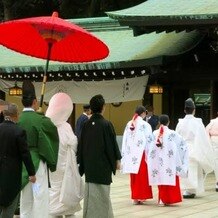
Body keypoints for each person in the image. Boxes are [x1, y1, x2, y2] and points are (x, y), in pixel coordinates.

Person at [18, 80, 59, 218]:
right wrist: (42, 116)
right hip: (37, 165)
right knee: (40, 197)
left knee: (26, 200)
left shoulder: (18, 120)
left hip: (22, 166)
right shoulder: (40, 120)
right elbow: (52, 132)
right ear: (35, 101)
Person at [77, 94, 121, 218]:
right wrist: (116, 161)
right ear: (103, 107)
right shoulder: (106, 124)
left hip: (90, 166)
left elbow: (81, 146)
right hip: (103, 166)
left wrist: (82, 162)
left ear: (91, 108)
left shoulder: (86, 125)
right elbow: (111, 145)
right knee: (102, 195)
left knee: (92, 194)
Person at [46, 92, 83, 218]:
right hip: (65, 166)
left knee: (54, 194)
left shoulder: (47, 126)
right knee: (66, 193)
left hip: (52, 167)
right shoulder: (66, 126)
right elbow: (73, 143)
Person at [0, 103, 36, 218]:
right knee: (10, 204)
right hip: (12, 175)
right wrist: (31, 173)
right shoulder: (18, 131)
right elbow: (25, 154)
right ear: (16, 115)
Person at [176, 98, 214, 198]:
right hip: (194, 147)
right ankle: (191, 190)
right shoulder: (197, 122)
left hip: (183, 148)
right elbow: (202, 137)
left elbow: (177, 137)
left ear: (185, 110)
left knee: (187, 169)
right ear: (194, 110)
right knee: (194, 169)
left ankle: (189, 190)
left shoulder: (180, 123)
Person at [147, 114, 188, 206]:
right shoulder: (173, 134)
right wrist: (180, 159)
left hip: (157, 161)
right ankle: (168, 199)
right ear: (168, 122)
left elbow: (147, 147)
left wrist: (150, 159)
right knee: (169, 177)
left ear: (159, 122)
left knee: (160, 178)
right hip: (169, 161)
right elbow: (182, 145)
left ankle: (162, 199)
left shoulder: (154, 134)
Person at [121, 105, 154, 205]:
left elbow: (125, 139)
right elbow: (149, 140)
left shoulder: (129, 123)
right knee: (142, 176)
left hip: (131, 153)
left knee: (134, 176)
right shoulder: (145, 125)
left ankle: (135, 197)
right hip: (141, 153)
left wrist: (124, 152)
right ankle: (141, 196)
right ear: (143, 113)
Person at [206, 113, 218, 192]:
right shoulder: (212, 122)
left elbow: (206, 132)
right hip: (214, 141)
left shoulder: (213, 122)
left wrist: (208, 143)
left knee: (216, 163)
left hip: (214, 141)